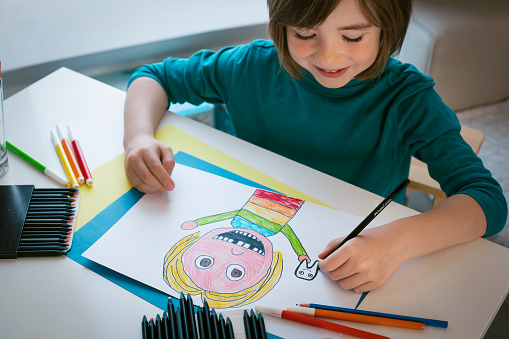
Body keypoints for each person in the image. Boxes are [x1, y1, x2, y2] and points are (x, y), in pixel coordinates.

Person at [123, 0, 507, 293]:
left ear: (387, 31)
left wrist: (397, 244)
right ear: (281, 26)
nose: (328, 56)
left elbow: (487, 200)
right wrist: (138, 137)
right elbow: (153, 78)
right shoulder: (248, 67)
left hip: (358, 250)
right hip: (252, 211)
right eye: (305, 34)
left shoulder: (407, 99)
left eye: (353, 37)